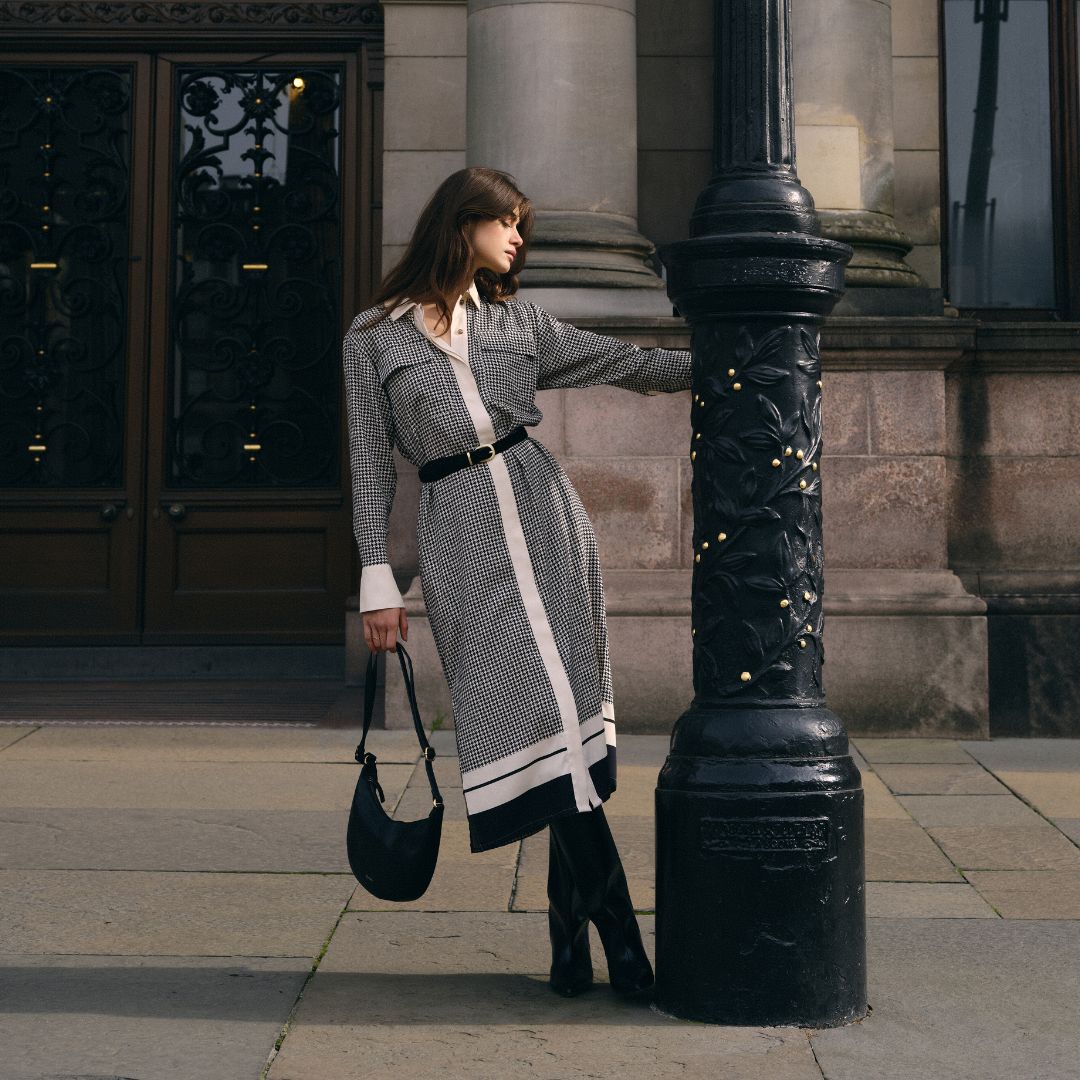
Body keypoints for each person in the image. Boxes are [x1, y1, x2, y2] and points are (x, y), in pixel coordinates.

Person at [343, 166, 692, 999]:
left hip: (544, 519)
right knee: (531, 724)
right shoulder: (374, 337)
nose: (518, 240)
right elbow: (366, 464)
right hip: (459, 533)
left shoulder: (518, 324)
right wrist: (376, 581)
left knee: (565, 735)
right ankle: (621, 947)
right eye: (507, 223)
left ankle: (574, 949)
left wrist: (730, 362)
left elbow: (622, 361)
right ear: (462, 224)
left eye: (521, 227)